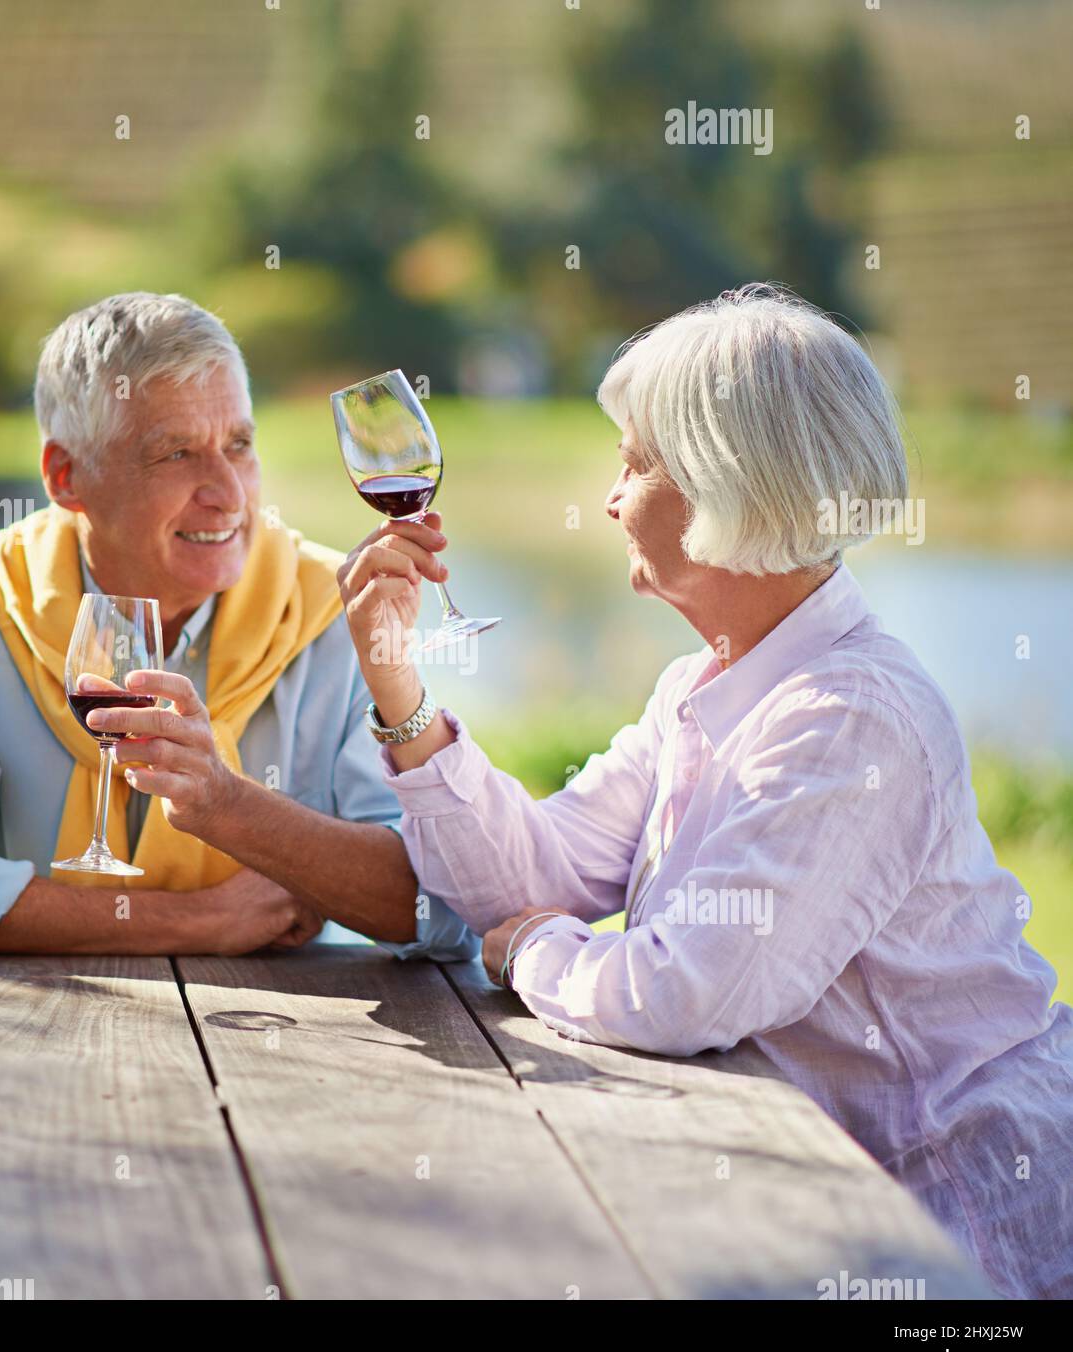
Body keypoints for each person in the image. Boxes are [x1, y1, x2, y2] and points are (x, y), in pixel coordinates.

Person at [331, 284, 1073, 1300]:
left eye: (634, 465)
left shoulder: (853, 717)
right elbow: (534, 873)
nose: (608, 497)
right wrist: (398, 685)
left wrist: (534, 950)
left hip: (957, 1223)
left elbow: (686, 992)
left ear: (728, 487)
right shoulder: (703, 684)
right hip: (819, 1199)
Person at [0, 291, 475, 963]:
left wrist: (230, 808)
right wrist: (204, 921)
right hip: (25, 1047)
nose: (228, 493)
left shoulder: (332, 612)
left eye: (238, 445)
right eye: (176, 454)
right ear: (67, 477)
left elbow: (445, 907)